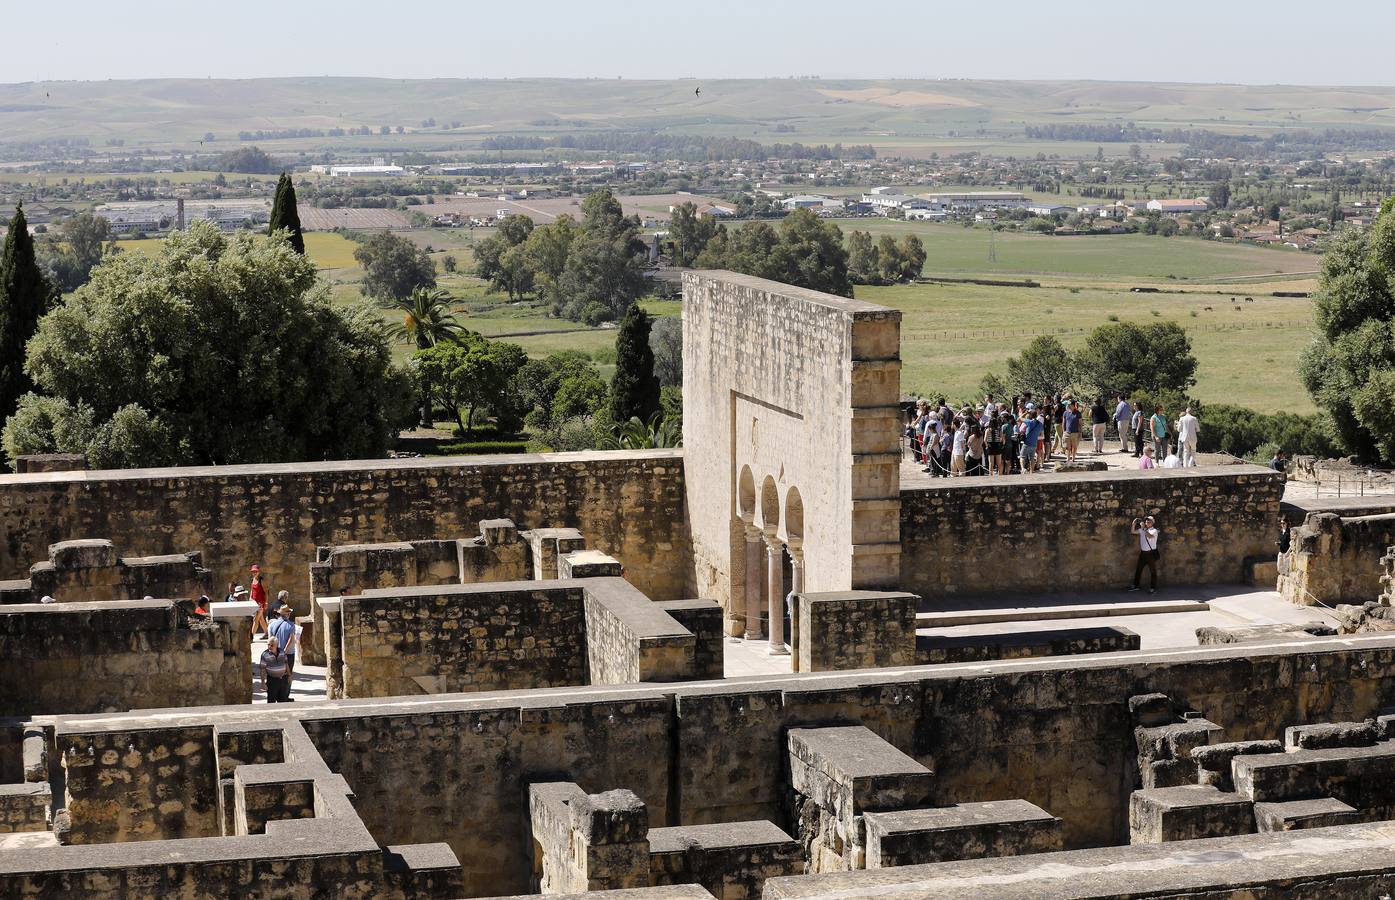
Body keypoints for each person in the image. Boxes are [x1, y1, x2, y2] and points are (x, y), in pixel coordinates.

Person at [1129, 515, 1161, 594]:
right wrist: (1133, 524)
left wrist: (1144, 528)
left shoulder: (1154, 530)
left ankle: (1153, 588)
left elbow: (1150, 536)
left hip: (1151, 554)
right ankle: (1136, 585)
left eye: (1149, 521)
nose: (1147, 522)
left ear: (1152, 523)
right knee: (1138, 570)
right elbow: (1132, 532)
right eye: (1146, 521)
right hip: (1143, 554)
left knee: (1153, 572)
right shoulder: (1142, 530)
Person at [268, 594, 298, 673]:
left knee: (277, 673)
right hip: (289, 653)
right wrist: (284, 651)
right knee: (288, 674)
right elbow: (291, 639)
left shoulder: (271, 625)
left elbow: (270, 639)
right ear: (288, 614)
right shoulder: (291, 625)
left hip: (275, 652)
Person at [260, 634, 291, 703]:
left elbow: (286, 664)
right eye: (268, 645)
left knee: (283, 701)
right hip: (272, 681)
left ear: (277, 645)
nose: (269, 647)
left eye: (272, 645)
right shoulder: (265, 655)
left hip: (283, 680)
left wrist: (289, 675)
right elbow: (262, 669)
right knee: (271, 701)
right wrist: (263, 682)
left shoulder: (282, 652)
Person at [248, 565, 269, 639]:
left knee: (256, 619)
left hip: (260, 603)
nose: (254, 573)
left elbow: (266, 592)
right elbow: (252, 590)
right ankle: (267, 633)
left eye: (256, 571)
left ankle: (251, 636)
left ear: (258, 572)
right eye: (253, 571)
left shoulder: (261, 580)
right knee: (261, 619)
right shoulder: (252, 579)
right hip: (254, 603)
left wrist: (266, 603)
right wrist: (250, 597)